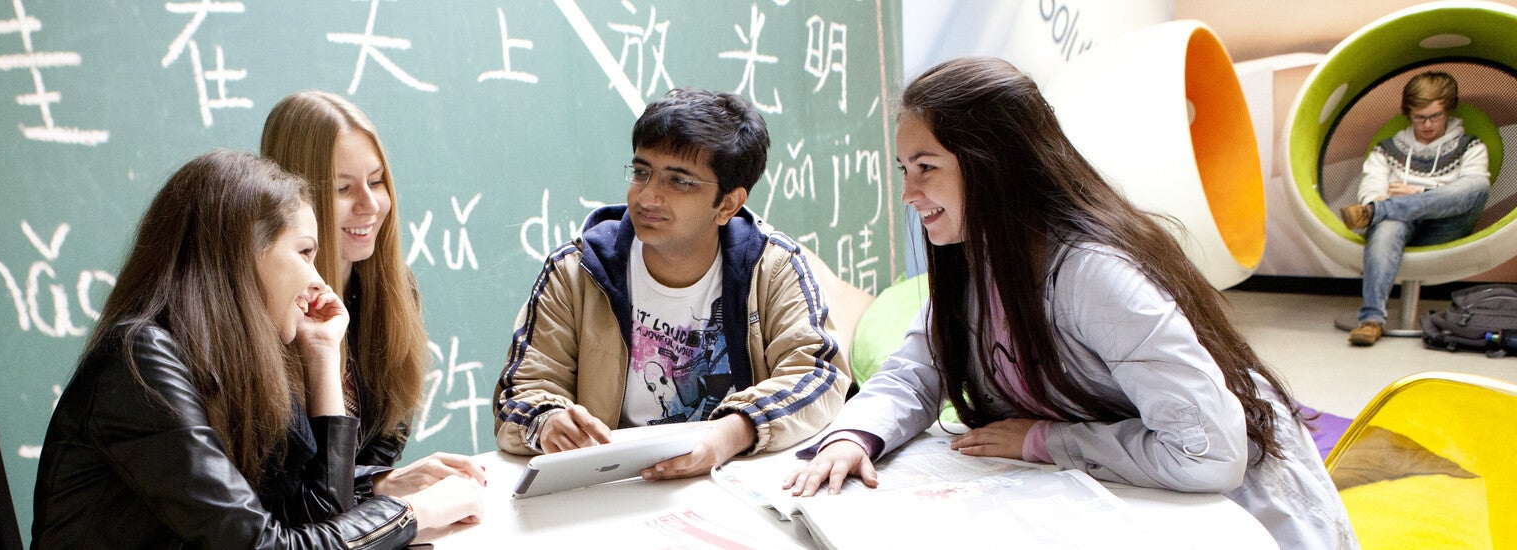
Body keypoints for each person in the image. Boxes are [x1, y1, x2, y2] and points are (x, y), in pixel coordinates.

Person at [783, 57, 1356, 548]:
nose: (908, 194)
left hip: (1233, 513)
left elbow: (1207, 455)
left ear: (995, 165)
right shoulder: (979, 256)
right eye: (905, 170)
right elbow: (914, 372)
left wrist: (1046, 440)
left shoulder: (1096, 274)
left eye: (926, 168)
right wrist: (852, 436)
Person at [31, 151, 481, 548]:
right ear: (245, 253)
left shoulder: (234, 361)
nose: (316, 281)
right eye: (304, 253)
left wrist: (323, 357)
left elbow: (317, 517)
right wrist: (413, 513)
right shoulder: (141, 362)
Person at [493, 88, 850, 479]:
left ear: (728, 204)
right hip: (614, 484)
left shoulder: (774, 267)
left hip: (731, 476)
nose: (647, 196)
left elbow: (819, 374)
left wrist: (732, 433)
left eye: (679, 181)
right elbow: (519, 394)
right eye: (642, 172)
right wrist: (546, 422)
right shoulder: (577, 270)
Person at [262, 91, 482, 501]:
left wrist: (377, 479)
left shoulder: (395, 290)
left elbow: (388, 431)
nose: (371, 205)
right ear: (292, 202)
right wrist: (376, 484)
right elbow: (279, 492)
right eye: (344, 189)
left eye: (377, 182)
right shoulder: (266, 315)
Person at [1340, 71, 1490, 346]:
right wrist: (1382, 203)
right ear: (1408, 113)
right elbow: (1372, 189)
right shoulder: (1386, 150)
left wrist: (1418, 193)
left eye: (1435, 116)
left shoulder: (1471, 147)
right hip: (1397, 226)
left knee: (1477, 185)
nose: (1428, 124)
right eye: (1420, 117)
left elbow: (1468, 193)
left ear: (1448, 111)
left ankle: (1379, 212)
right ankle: (1371, 320)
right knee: (1387, 223)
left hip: (1446, 226)